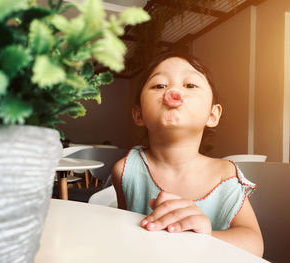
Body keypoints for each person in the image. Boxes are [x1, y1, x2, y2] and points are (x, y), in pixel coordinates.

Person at [111, 52, 264, 257]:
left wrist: (205, 237)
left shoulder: (225, 175)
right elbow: (122, 235)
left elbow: (255, 245)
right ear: (139, 115)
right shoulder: (125, 170)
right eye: (159, 85)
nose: (173, 91)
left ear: (212, 114)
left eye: (190, 85)